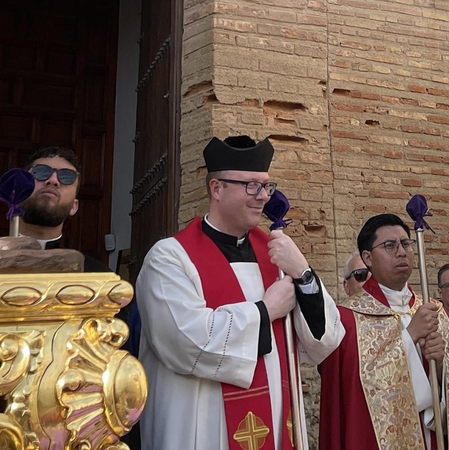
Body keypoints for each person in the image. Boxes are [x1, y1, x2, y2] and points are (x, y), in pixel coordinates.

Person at [138, 134, 344, 450]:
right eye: (251, 186)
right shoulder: (170, 257)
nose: (263, 196)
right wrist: (265, 311)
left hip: (275, 419)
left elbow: (324, 340)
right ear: (216, 188)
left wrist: (303, 273)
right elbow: (184, 341)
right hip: (203, 428)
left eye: (266, 186)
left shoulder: (275, 256)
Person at [320, 213, 449, 450]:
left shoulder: (435, 311)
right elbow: (355, 394)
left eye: (406, 244)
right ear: (367, 258)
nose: (401, 252)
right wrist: (410, 336)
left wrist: (439, 366)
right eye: (389, 245)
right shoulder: (347, 319)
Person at [20, 146, 105, 272]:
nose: (53, 180)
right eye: (41, 172)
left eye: (67, 177)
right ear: (17, 196)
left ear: (74, 207)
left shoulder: (96, 274)